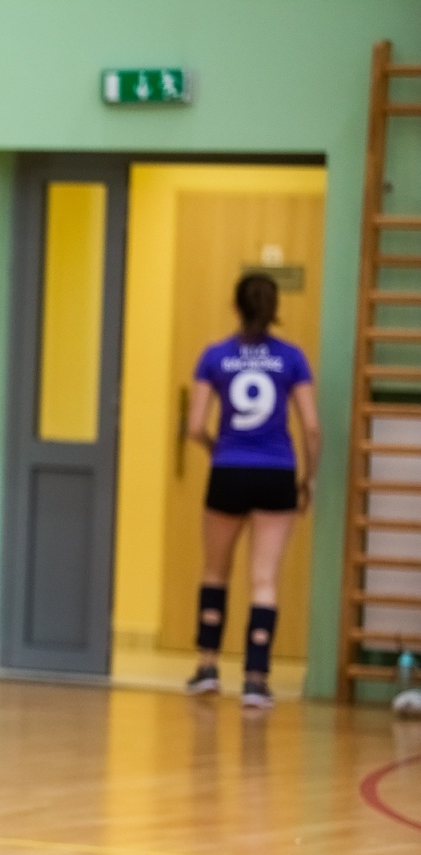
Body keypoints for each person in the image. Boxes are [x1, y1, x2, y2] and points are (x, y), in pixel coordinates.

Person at [183, 273, 320, 709]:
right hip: (277, 471)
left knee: (215, 571)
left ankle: (207, 667)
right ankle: (256, 679)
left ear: (235, 305)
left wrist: (216, 449)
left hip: (228, 469)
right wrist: (307, 478)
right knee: (264, 580)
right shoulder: (292, 359)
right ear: (274, 306)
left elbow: (194, 427)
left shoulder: (215, 356)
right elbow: (312, 429)